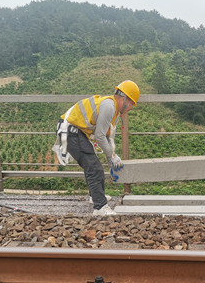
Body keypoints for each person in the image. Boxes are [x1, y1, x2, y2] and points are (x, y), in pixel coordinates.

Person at [53, 80, 140, 216]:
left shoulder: (114, 111)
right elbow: (99, 137)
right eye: (131, 104)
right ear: (125, 99)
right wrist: (111, 156)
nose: (131, 108)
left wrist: (111, 156)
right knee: (94, 167)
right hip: (70, 131)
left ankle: (96, 197)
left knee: (93, 165)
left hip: (75, 132)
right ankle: (100, 207)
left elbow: (107, 138)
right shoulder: (109, 107)